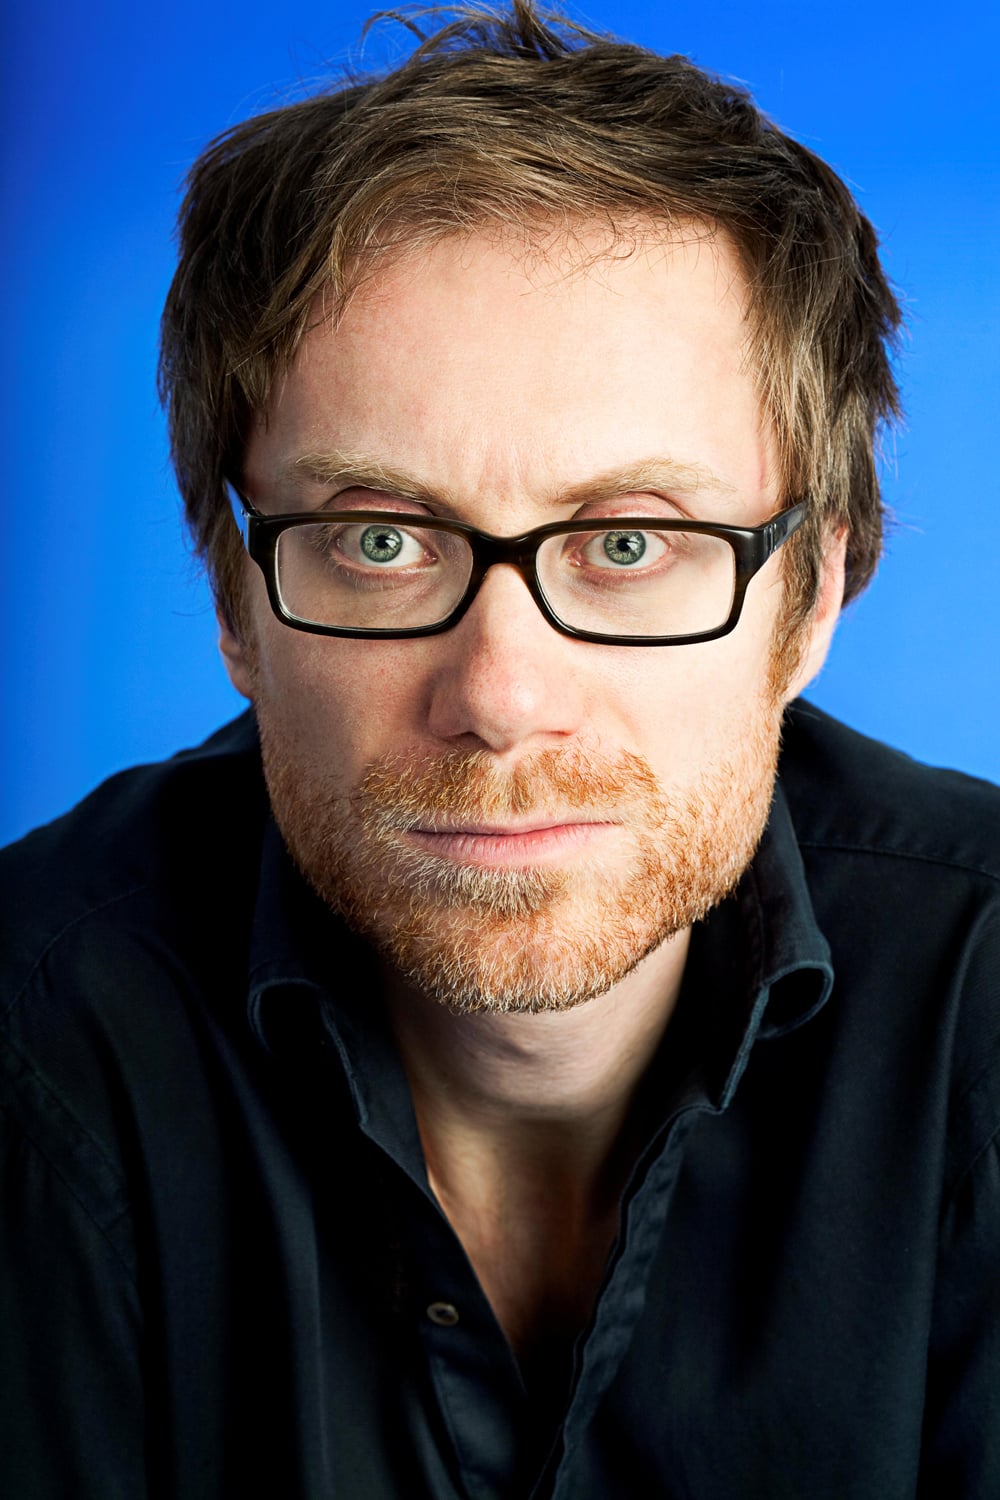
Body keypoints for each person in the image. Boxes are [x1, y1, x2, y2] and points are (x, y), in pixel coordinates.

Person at [2, 3, 998, 1495]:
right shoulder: (32, 1042)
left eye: (629, 541)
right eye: (381, 539)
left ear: (810, 599)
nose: (502, 696)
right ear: (233, 601)